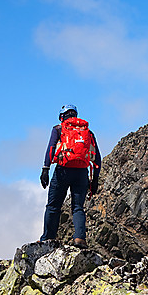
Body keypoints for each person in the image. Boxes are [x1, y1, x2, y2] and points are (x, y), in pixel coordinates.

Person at [40, 104, 102, 247]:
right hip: (81, 172)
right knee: (78, 207)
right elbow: (97, 158)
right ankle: (79, 238)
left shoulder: (59, 129)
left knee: (53, 206)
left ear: (62, 116)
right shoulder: (88, 132)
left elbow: (51, 149)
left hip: (63, 170)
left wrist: (45, 169)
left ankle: (48, 238)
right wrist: (95, 179)